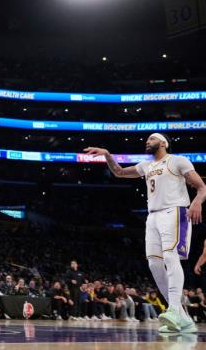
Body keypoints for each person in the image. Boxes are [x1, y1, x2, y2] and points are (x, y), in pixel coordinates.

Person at [85, 133, 206, 333]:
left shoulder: (177, 161)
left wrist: (196, 202)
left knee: (170, 256)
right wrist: (107, 154)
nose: (147, 142)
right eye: (147, 140)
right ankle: (183, 319)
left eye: (152, 139)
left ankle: (174, 309)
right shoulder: (145, 166)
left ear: (163, 143)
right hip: (153, 217)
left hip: (174, 211)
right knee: (154, 263)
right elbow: (119, 172)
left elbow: (202, 187)